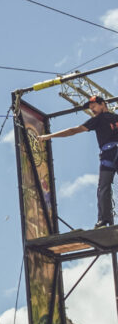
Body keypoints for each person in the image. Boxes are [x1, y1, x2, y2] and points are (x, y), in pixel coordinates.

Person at [36, 95, 118, 228]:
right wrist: (49, 136)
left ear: (103, 104)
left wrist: (47, 136)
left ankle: (104, 219)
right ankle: (104, 220)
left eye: (94, 107)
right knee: (103, 188)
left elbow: (73, 131)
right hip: (108, 155)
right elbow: (73, 131)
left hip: (110, 154)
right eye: (91, 109)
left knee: (103, 188)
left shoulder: (102, 119)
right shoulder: (98, 120)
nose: (93, 110)